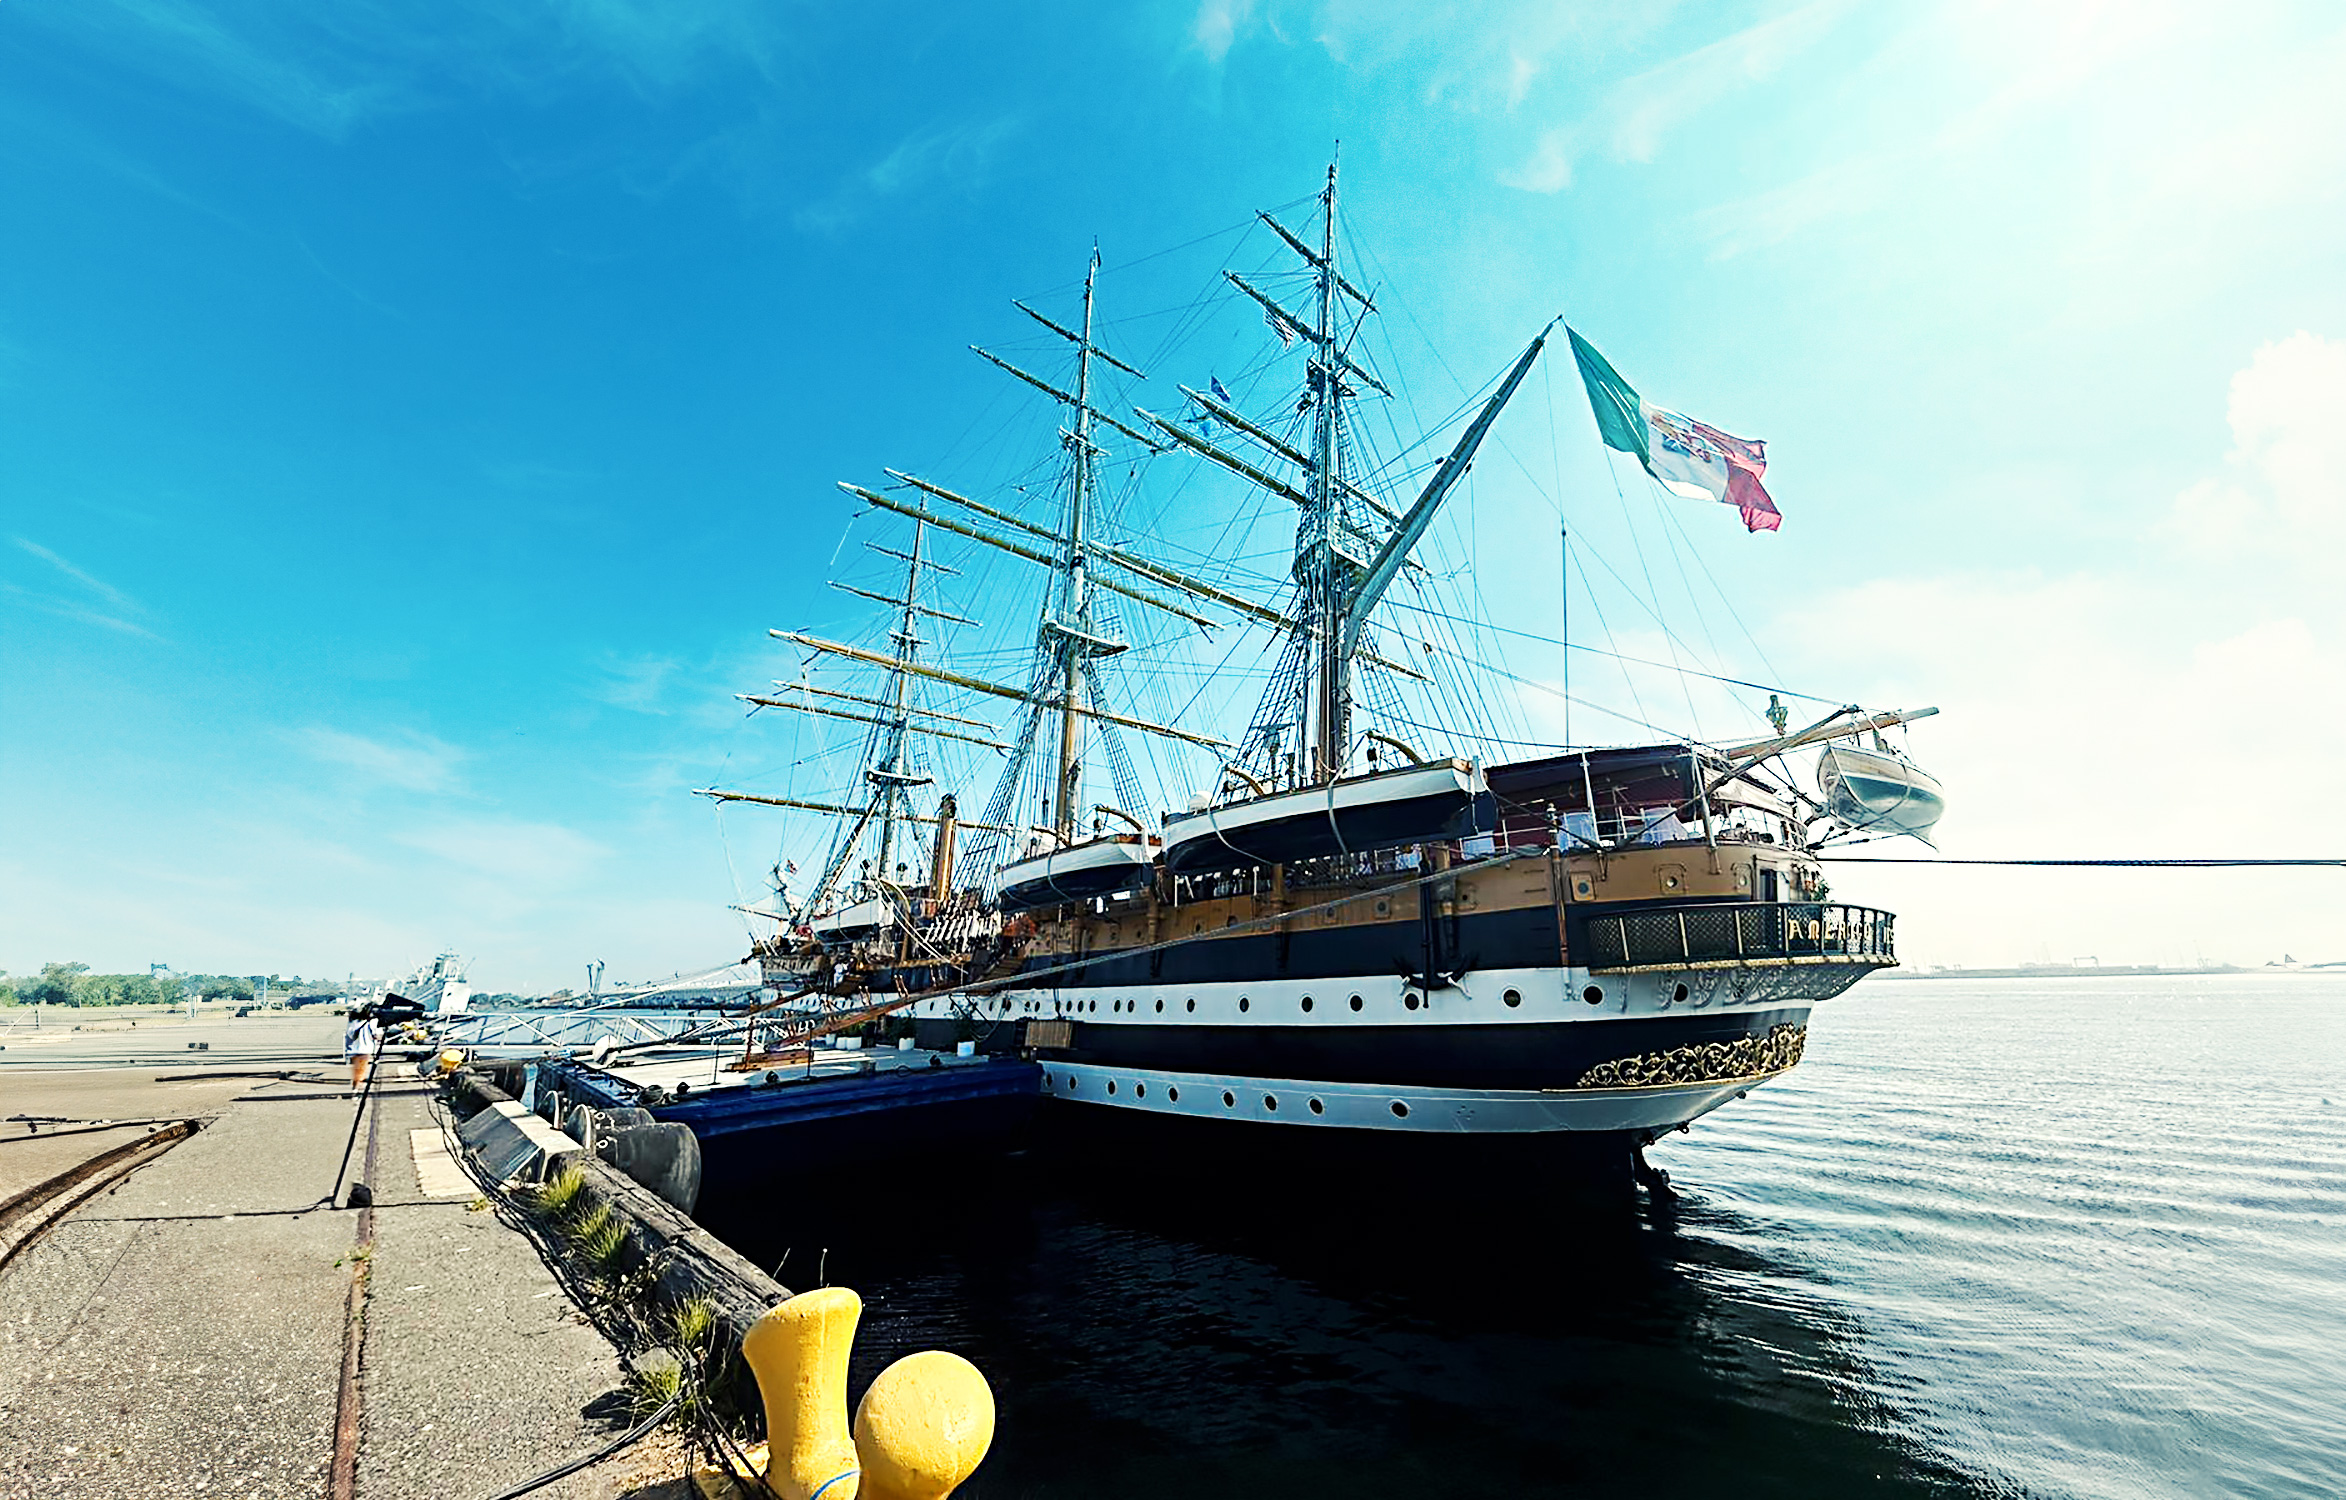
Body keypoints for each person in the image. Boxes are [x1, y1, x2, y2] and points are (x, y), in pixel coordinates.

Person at [343, 1005, 382, 1093]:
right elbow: (376, 1035)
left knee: (357, 1069)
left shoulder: (353, 1023)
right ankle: (356, 1089)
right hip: (365, 1049)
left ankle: (356, 1086)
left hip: (353, 1049)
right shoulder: (372, 1023)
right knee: (361, 1070)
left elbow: (349, 1035)